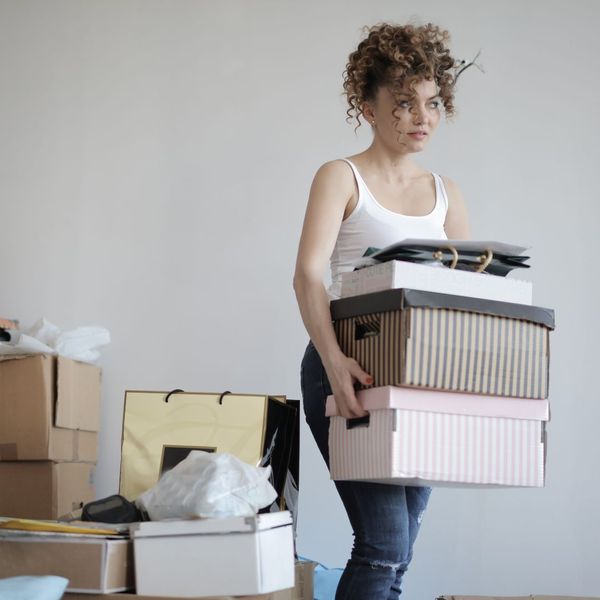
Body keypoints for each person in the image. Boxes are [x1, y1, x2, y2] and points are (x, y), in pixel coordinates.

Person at [293, 23, 471, 599]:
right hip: (349, 364)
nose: (421, 117)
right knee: (384, 543)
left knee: (399, 552)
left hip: (421, 378)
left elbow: (463, 297)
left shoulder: (447, 193)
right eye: (403, 104)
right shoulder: (340, 176)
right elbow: (308, 276)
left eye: (432, 103)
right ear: (367, 107)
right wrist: (334, 360)